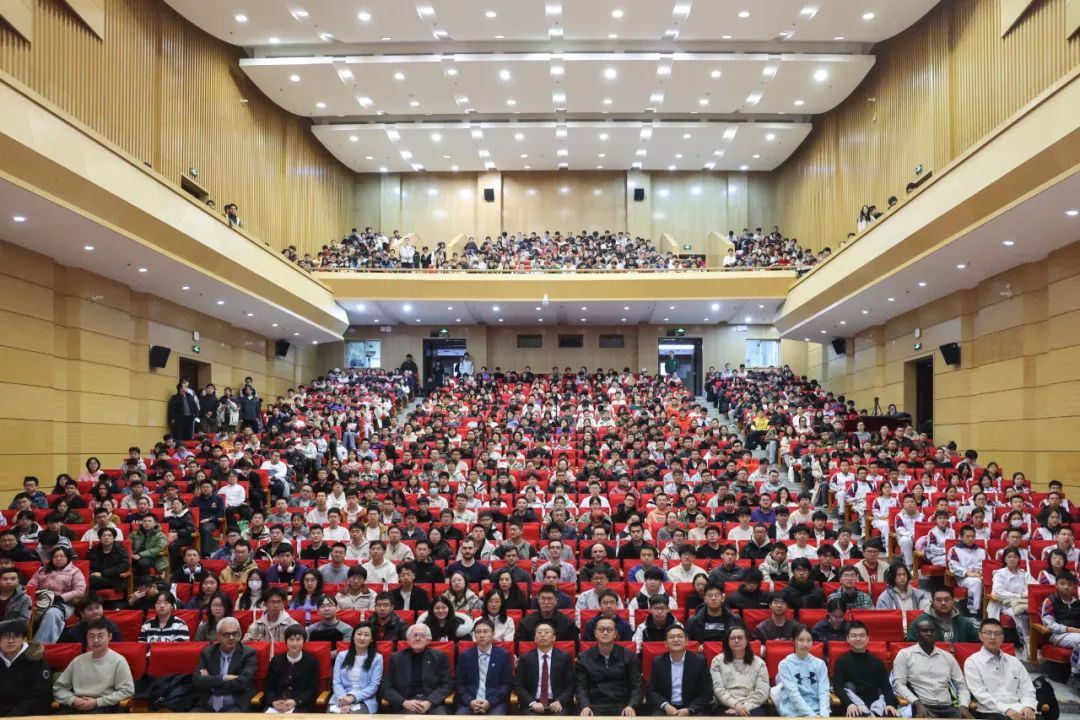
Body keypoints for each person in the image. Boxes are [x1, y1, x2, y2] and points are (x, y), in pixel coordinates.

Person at [892, 617, 973, 718]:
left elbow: (962, 686)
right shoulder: (905, 655)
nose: (929, 633)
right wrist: (916, 703)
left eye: (932, 631)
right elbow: (899, 684)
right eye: (925, 631)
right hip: (922, 706)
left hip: (948, 707)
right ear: (917, 634)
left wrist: (964, 706)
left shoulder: (947, 657)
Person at [52, 619, 135, 712]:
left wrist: (97, 702)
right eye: (91, 636)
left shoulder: (119, 661)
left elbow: (127, 691)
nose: (95, 640)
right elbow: (59, 688)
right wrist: (73, 700)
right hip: (76, 705)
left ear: (109, 637)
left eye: (100, 636)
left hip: (104, 707)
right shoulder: (78, 661)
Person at [963, 618, 1037, 720]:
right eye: (988, 633)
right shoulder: (972, 662)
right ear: (980, 636)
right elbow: (980, 694)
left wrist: (1028, 706)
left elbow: (1027, 688)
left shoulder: (1014, 661)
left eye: (997, 634)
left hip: (1018, 708)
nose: (993, 637)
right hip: (989, 711)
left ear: (1002, 637)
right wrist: (1006, 709)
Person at [574, 616, 642, 716]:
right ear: (595, 633)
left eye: (609, 630)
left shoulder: (628, 656)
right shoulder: (584, 658)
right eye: (601, 629)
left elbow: (636, 685)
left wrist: (631, 705)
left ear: (615, 634)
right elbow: (581, 686)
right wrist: (585, 706)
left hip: (623, 705)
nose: (605, 633)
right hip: (594, 706)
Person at [832, 621, 899, 717]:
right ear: (848, 639)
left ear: (868, 638)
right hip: (854, 703)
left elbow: (886, 687)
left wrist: (889, 704)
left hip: (876, 703)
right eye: (854, 636)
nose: (858, 639)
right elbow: (838, 687)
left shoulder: (877, 662)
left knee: (892, 714)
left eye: (862, 635)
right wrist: (849, 704)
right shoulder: (841, 662)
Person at [382, 623, 453, 714]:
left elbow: (447, 685)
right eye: (414, 635)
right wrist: (403, 702)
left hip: (433, 703)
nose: (418, 638)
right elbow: (386, 687)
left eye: (422, 636)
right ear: (408, 639)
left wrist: (429, 702)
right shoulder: (396, 658)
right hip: (406, 703)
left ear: (428, 640)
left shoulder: (439, 657)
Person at [192, 616, 259, 712]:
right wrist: (224, 678)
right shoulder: (207, 652)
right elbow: (197, 680)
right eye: (226, 634)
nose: (231, 638)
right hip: (207, 704)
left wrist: (212, 685)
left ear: (240, 634)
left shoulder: (248, 653)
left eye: (235, 634)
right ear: (218, 636)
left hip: (235, 704)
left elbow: (243, 682)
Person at [646, 624, 712, 716]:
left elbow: (707, 692)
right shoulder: (658, 662)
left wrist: (690, 709)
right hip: (666, 708)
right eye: (671, 637)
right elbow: (652, 691)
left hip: (692, 708)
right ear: (665, 643)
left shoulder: (699, 661)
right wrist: (665, 706)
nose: (676, 640)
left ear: (687, 641)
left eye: (680, 636)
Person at [514, 620, 574, 715]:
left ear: (554, 638)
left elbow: (571, 684)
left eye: (546, 632)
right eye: (539, 632)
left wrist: (560, 701)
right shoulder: (525, 658)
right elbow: (518, 685)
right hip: (532, 703)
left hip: (557, 703)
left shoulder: (564, 657)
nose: (542, 635)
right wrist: (532, 702)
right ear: (535, 638)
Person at [455, 618, 512, 715]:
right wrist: (470, 701)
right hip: (469, 703)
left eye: (485, 631)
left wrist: (489, 702)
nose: (481, 635)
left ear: (493, 634)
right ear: (474, 635)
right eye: (478, 632)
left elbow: (506, 684)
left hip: (495, 703)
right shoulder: (465, 656)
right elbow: (459, 684)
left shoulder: (503, 655)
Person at [709, 625, 769, 717]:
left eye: (740, 637)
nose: (736, 640)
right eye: (732, 638)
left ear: (746, 640)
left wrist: (744, 707)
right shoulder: (717, 661)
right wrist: (735, 705)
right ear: (727, 641)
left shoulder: (759, 663)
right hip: (724, 705)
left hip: (752, 706)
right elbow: (718, 689)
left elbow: (762, 692)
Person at [31, 545, 86, 643]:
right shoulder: (42, 570)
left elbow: (80, 590)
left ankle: (40, 645)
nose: (58, 559)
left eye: (62, 556)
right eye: (55, 556)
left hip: (63, 603)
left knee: (52, 613)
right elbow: (31, 585)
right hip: (42, 601)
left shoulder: (75, 571)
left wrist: (61, 597)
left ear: (68, 558)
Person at [0, 618, 53, 716]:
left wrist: (13, 716)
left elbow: (41, 696)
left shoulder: (37, 662)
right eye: (6, 636)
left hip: (29, 714)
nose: (11, 641)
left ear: (24, 639)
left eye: (16, 636)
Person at [774, 624, 830, 718]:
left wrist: (824, 715)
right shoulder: (784, 665)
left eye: (809, 640)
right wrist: (812, 716)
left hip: (817, 710)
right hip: (793, 712)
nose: (805, 644)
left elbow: (824, 692)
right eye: (801, 640)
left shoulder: (820, 664)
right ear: (793, 641)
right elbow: (793, 694)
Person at [264, 625, 320, 713]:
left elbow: (312, 689)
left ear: (304, 641)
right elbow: (269, 687)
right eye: (291, 639)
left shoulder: (311, 662)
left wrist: (295, 701)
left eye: (298, 639)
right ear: (286, 641)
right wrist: (273, 702)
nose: (294, 643)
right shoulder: (276, 660)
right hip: (277, 704)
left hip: (299, 705)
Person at [329, 624, 384, 714]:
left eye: (366, 635)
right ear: (353, 637)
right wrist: (343, 699)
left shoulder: (377, 658)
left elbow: (373, 686)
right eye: (359, 634)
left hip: (364, 700)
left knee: (352, 716)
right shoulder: (342, 656)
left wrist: (353, 698)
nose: (362, 638)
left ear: (371, 639)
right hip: (340, 699)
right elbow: (336, 682)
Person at [1038, 570, 1080, 682]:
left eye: (1069, 584)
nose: (1066, 587)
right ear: (1056, 585)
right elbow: (1049, 624)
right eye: (1062, 584)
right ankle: (1076, 674)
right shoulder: (1050, 601)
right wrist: (1068, 629)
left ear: (1074, 587)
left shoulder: (1077, 603)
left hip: (1076, 633)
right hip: (1058, 635)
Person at [905, 587, 980, 643]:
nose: (943, 603)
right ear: (932, 602)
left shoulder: (965, 623)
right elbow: (911, 646)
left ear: (953, 601)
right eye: (939, 600)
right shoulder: (920, 622)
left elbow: (976, 645)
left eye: (947, 599)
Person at [243, 587, 301, 651]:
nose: (276, 605)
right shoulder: (255, 625)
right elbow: (245, 647)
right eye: (272, 602)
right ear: (265, 604)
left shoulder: (293, 625)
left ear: (283, 604)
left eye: (279, 602)